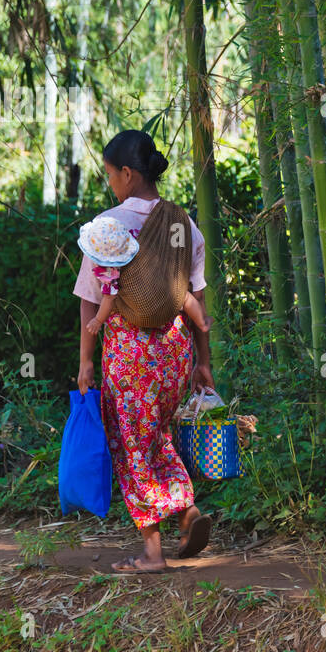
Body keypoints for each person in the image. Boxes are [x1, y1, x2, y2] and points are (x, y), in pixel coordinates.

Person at [73, 130, 214, 573]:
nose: (111, 183)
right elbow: (198, 299)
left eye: (112, 175)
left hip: (130, 358)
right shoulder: (183, 224)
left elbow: (90, 300)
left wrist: (85, 360)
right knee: (158, 439)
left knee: (130, 446)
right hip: (174, 354)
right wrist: (204, 361)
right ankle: (186, 510)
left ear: (129, 175)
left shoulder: (107, 229)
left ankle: (153, 552)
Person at [77, 216, 210, 336]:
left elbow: (108, 299)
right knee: (185, 297)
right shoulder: (135, 238)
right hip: (164, 282)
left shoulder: (110, 273)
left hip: (145, 299)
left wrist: (98, 319)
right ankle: (202, 322)